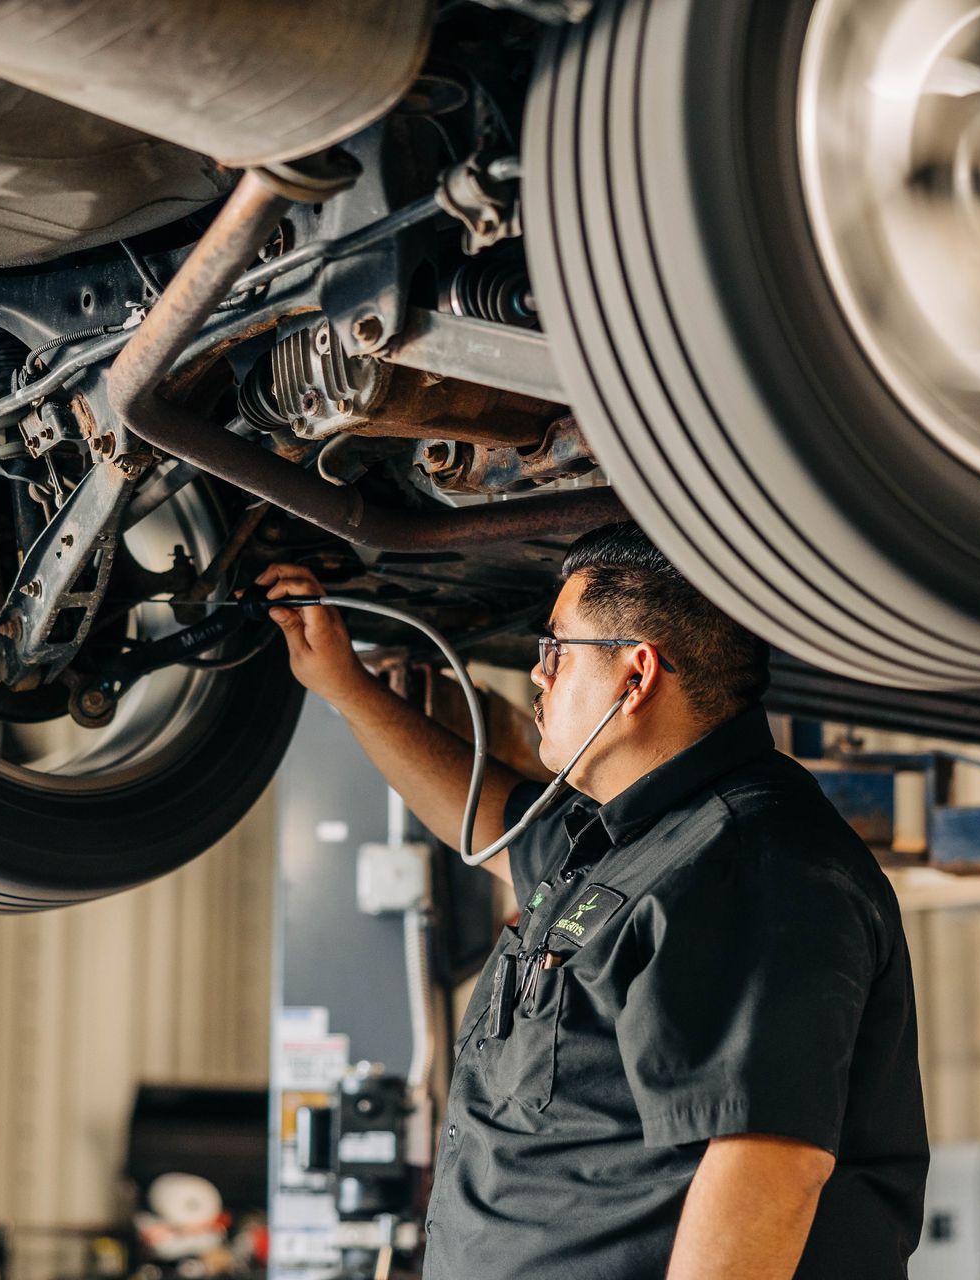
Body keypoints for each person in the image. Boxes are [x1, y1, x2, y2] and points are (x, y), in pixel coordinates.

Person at [257, 523, 929, 1280]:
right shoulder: (622, 840)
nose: (538, 677)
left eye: (556, 651)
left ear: (634, 677)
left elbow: (766, 1163)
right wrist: (345, 686)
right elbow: (486, 823)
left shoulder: (749, 861)